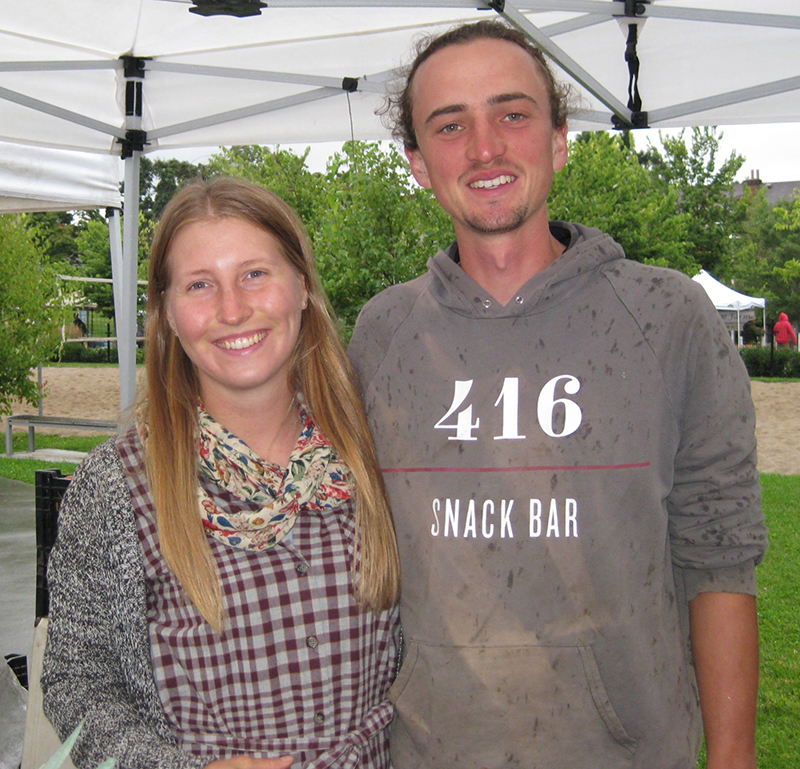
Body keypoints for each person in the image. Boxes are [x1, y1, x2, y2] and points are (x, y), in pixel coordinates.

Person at [348, 20, 767, 769]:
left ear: (560, 139)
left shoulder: (667, 318)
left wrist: (733, 758)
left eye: (512, 114)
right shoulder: (383, 332)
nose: (485, 148)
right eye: (450, 125)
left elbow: (721, 554)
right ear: (416, 162)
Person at [42, 178, 401, 769]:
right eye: (200, 285)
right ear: (167, 313)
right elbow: (77, 683)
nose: (232, 310)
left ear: (303, 287)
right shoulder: (119, 486)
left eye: (255, 274)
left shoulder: (377, 452)